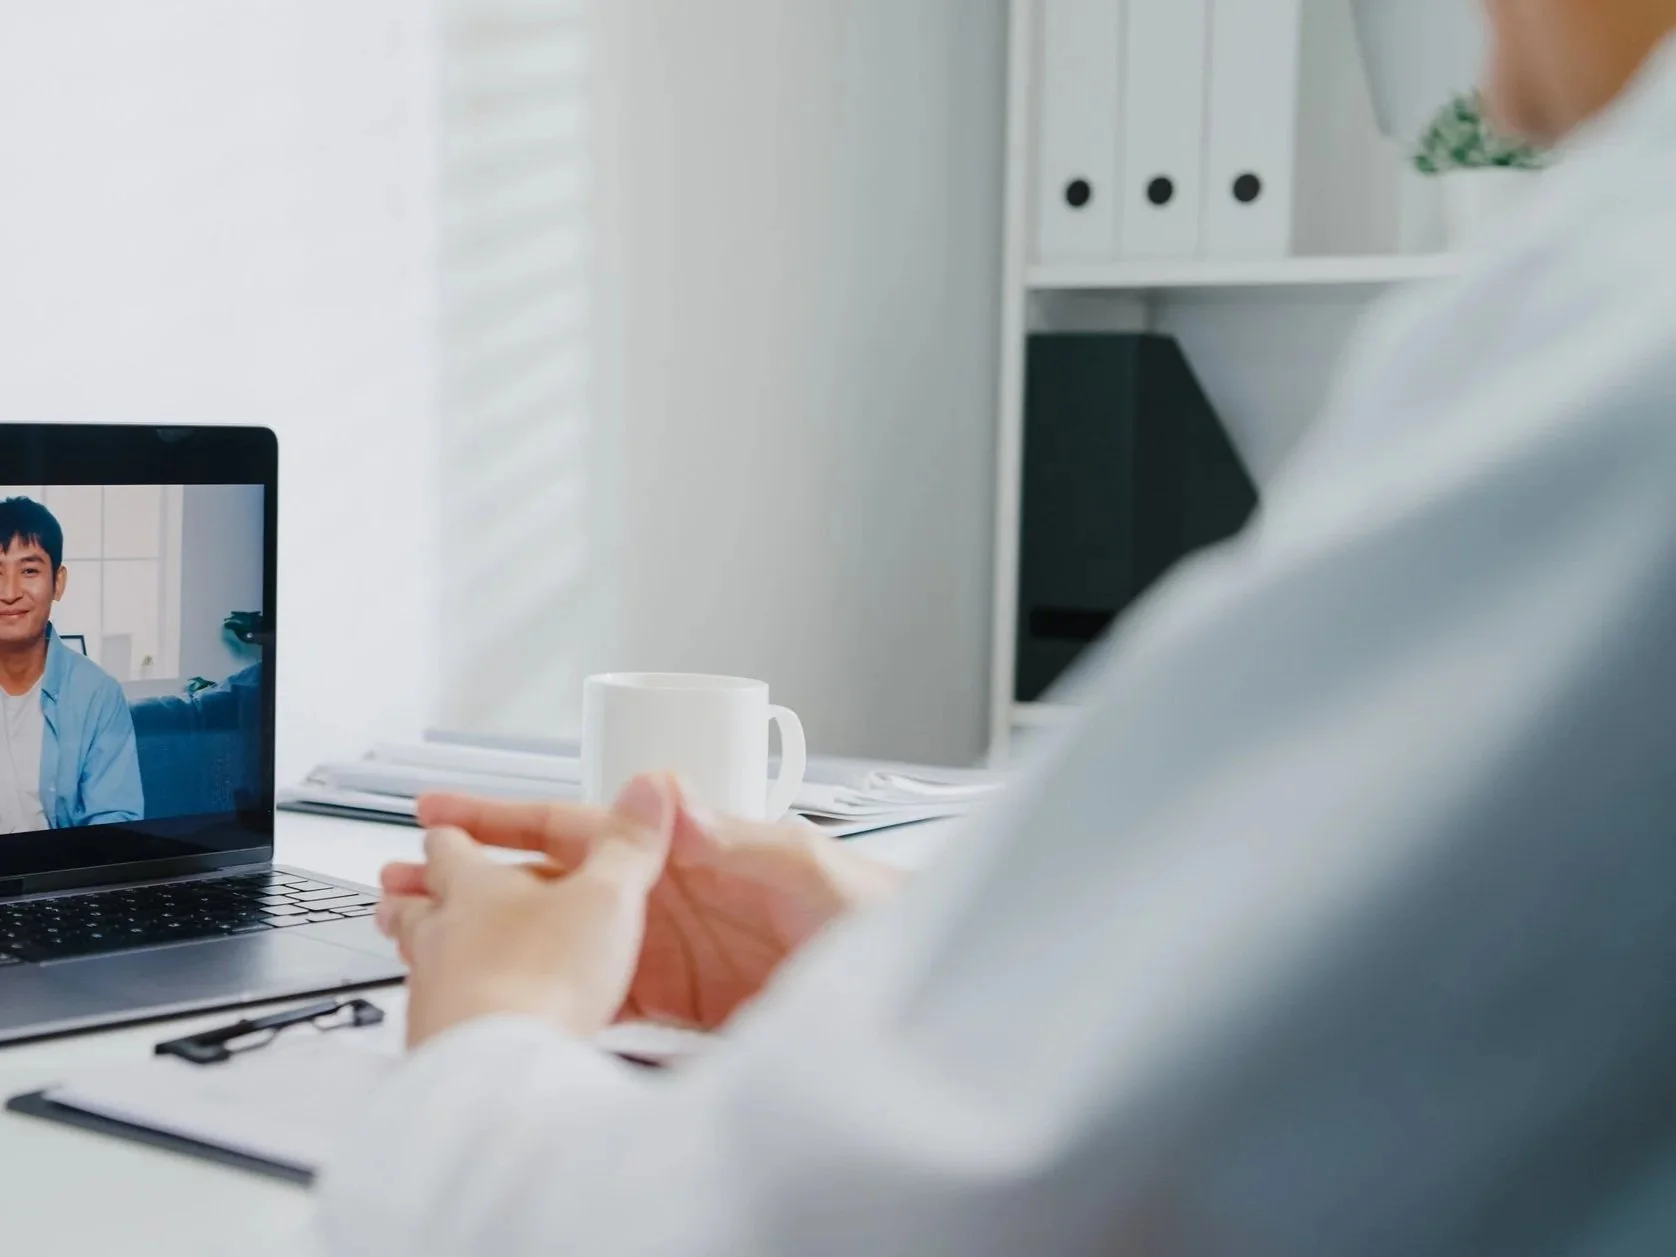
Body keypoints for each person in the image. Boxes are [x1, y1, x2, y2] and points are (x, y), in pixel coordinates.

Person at [320, 2, 1676, 1252]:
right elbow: (1455, 1017)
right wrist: (901, 959)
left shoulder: (1623, 346)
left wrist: (488, 1037)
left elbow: (866, 1225)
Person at [0, 497, 144, 832]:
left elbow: (114, 822)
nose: (9, 592)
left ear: (58, 583)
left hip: (59, 877)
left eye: (29, 570)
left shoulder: (97, 693)